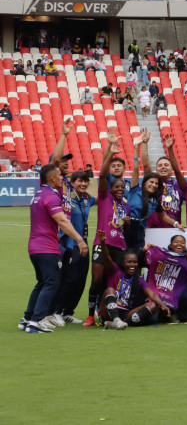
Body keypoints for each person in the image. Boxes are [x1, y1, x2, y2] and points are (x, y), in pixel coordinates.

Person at [19, 165, 88, 333]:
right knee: (52, 283)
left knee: (42, 282)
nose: (61, 178)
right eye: (59, 175)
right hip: (47, 247)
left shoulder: (38, 194)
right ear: (51, 178)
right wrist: (80, 240)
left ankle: (27, 318)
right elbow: (63, 222)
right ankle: (36, 321)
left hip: (34, 246)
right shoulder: (51, 196)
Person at [84, 142, 131, 327]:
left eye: (122, 187)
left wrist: (126, 224)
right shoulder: (104, 197)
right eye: (116, 187)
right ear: (110, 188)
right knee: (96, 280)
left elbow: (121, 229)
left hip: (119, 246)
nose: (119, 189)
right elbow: (102, 175)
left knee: (114, 279)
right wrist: (110, 154)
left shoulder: (125, 206)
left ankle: (109, 312)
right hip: (101, 243)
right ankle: (90, 315)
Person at [126, 129, 185, 253]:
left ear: (171, 169)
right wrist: (144, 144)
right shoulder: (144, 188)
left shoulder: (178, 186)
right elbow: (143, 166)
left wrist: (176, 224)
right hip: (149, 230)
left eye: (166, 165)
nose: (163, 167)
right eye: (160, 165)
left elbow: (162, 214)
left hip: (172, 232)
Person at [49, 170, 95, 325]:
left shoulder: (87, 200)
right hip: (70, 245)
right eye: (79, 181)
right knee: (69, 280)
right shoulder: (66, 200)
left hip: (85, 246)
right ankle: (56, 311)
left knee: (81, 280)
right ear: (72, 183)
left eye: (85, 181)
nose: (83, 184)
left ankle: (69, 311)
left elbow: (102, 197)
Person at [95, 231, 169, 329]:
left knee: (153, 305)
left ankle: (120, 323)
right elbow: (107, 257)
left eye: (135, 262)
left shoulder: (139, 279)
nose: (132, 265)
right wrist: (103, 243)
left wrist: (163, 305)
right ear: (123, 263)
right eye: (129, 262)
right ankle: (116, 320)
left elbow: (152, 295)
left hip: (126, 313)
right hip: (108, 312)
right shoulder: (115, 270)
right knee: (109, 290)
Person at [142, 235, 187, 322]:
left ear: (185, 246)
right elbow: (141, 263)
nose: (179, 244)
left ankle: (174, 312)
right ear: (171, 245)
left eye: (182, 242)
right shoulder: (159, 255)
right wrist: (143, 251)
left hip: (175, 295)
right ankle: (166, 315)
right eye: (176, 242)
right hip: (157, 294)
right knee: (152, 320)